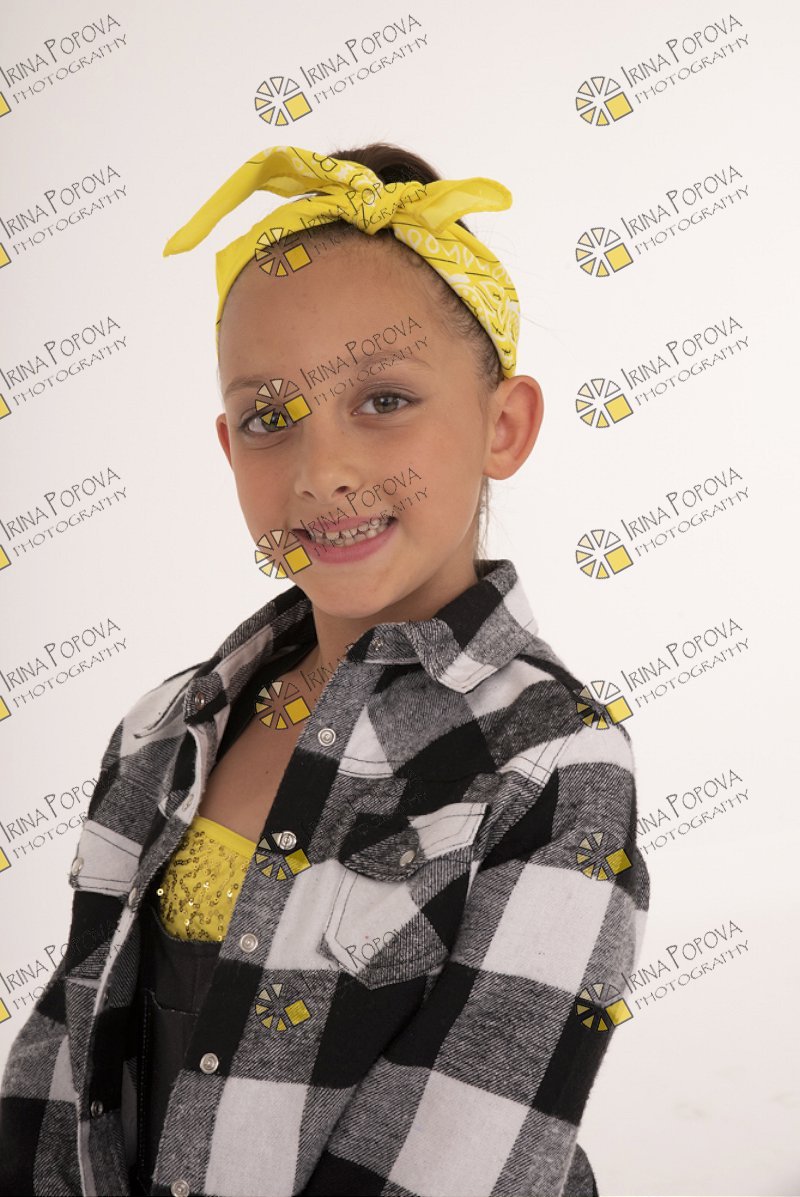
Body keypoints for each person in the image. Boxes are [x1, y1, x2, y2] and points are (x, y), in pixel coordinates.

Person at [0, 142, 650, 1197]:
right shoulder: (164, 730)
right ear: (228, 449)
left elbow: (462, 1150)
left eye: (383, 400)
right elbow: (62, 1079)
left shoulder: (552, 764)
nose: (322, 470)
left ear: (503, 425)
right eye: (270, 419)